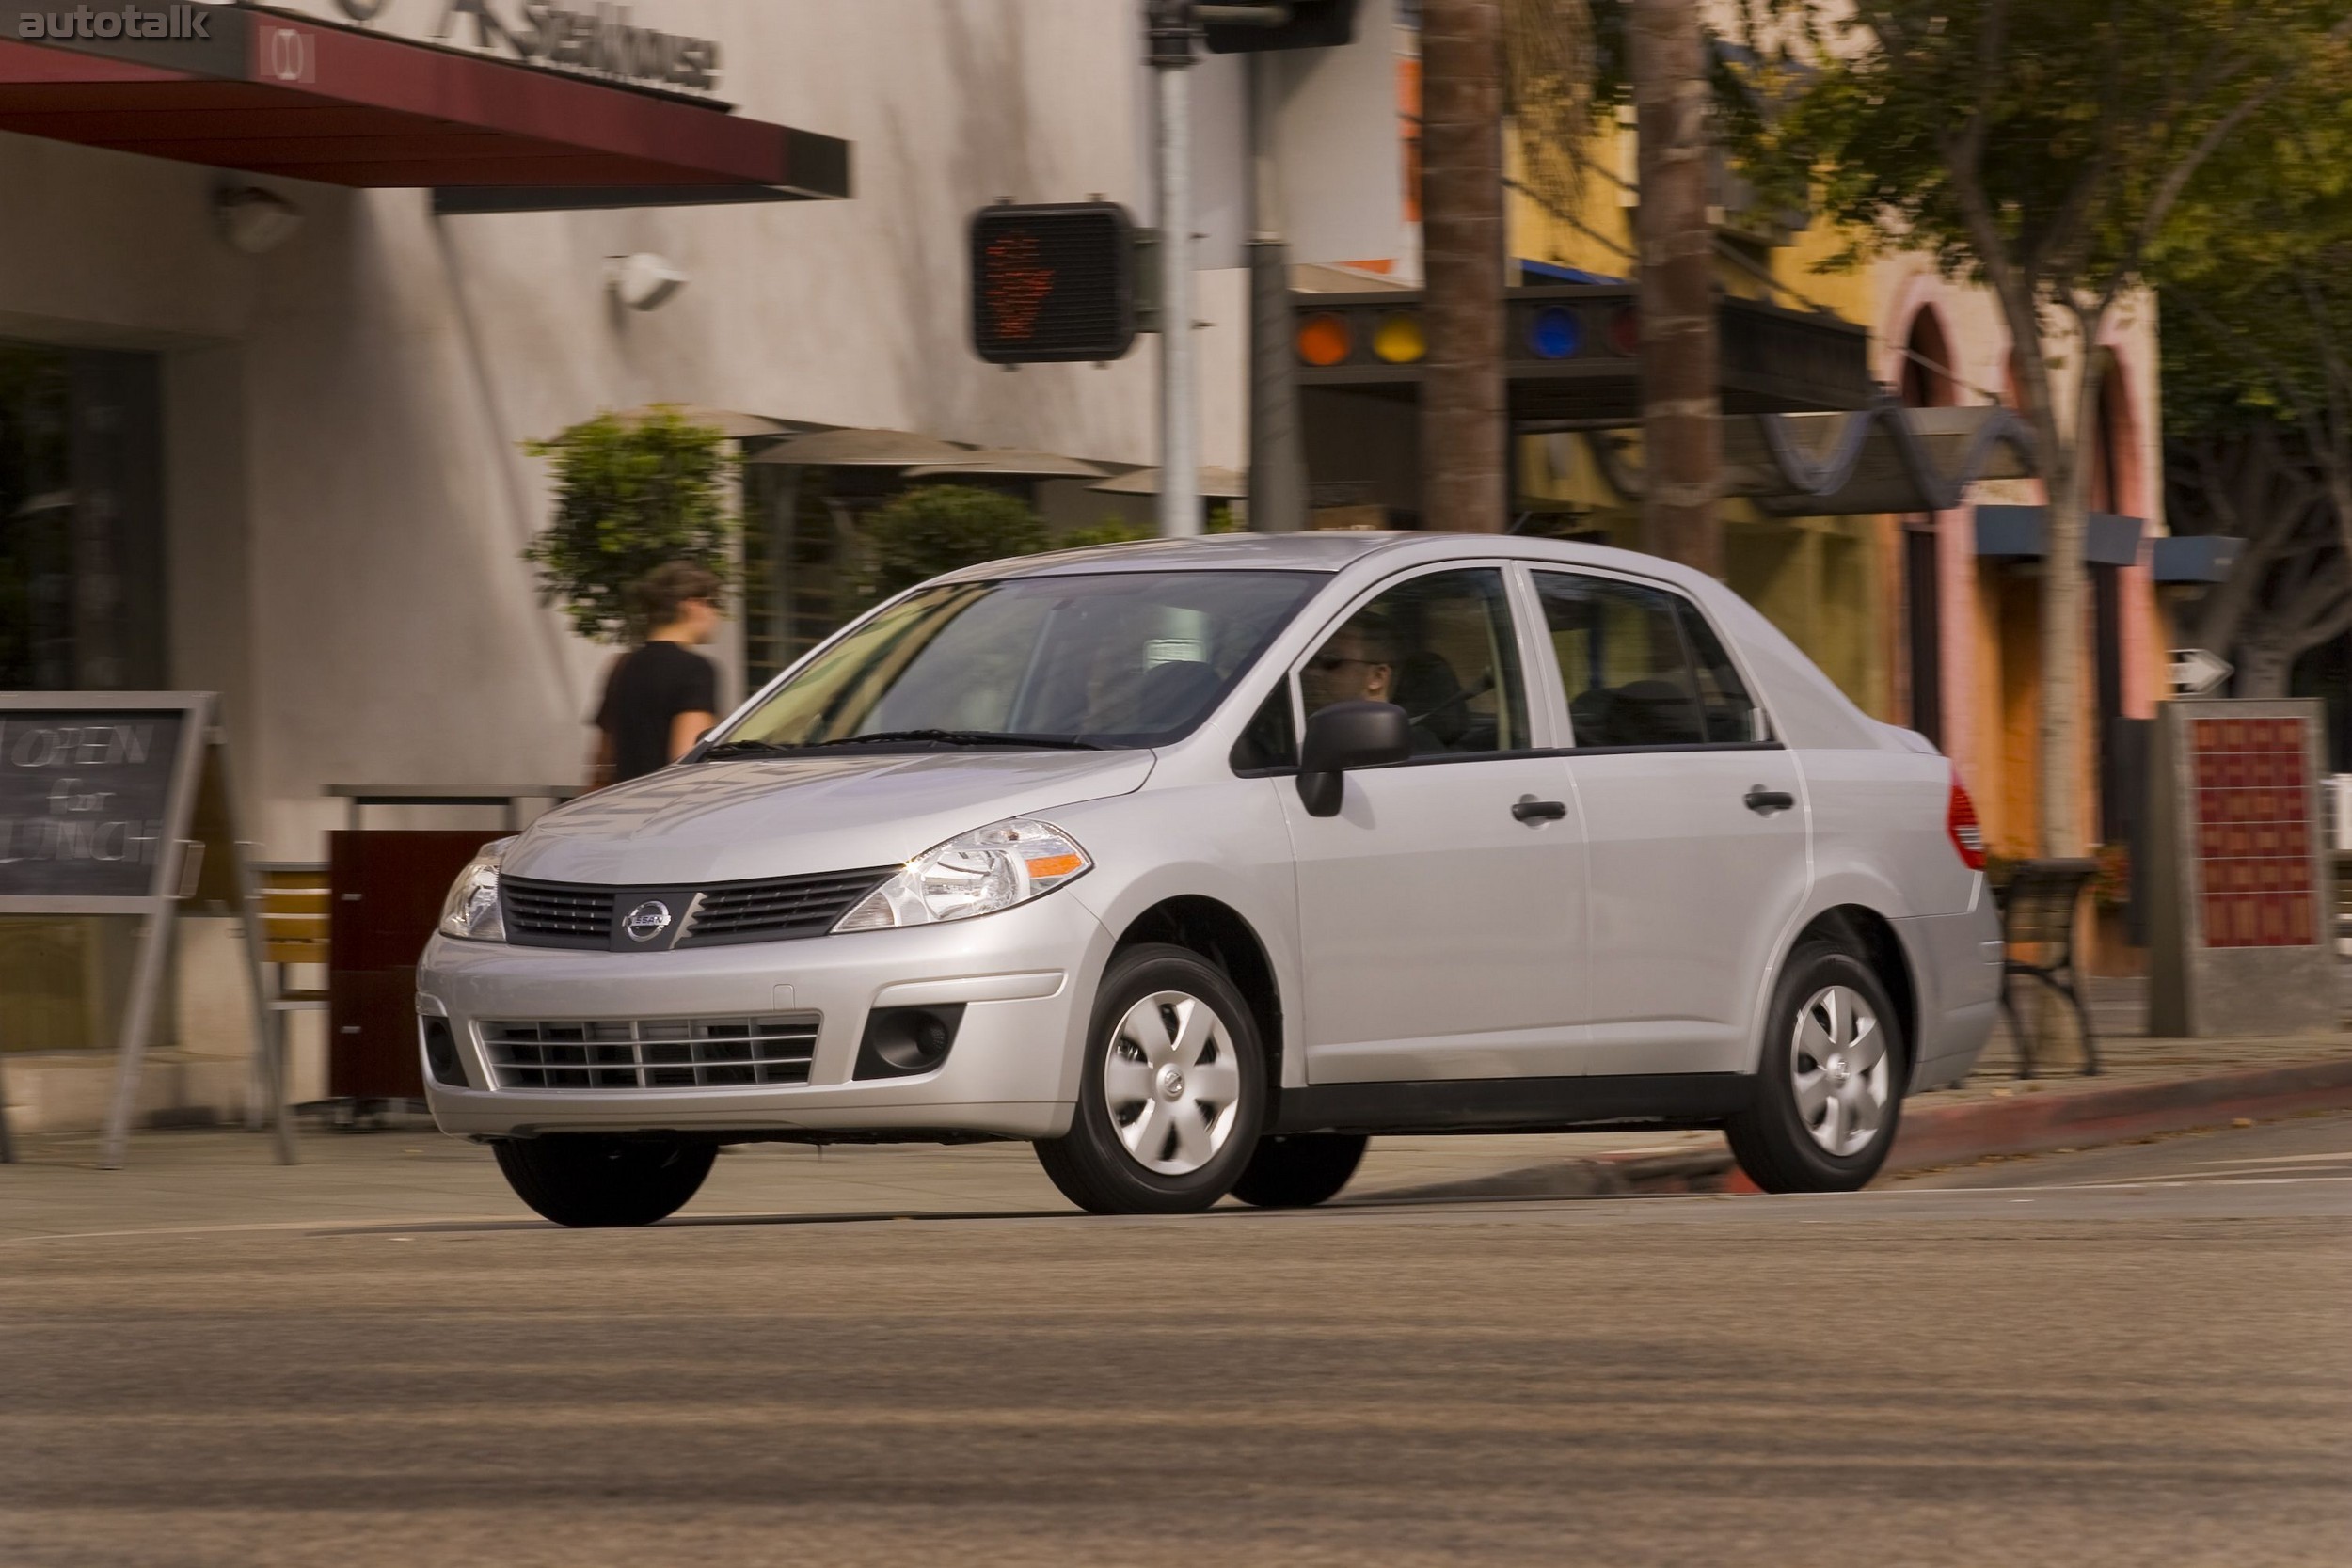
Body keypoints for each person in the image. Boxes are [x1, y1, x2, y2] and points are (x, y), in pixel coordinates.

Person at [588, 562, 723, 788]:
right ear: (693, 605)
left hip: (622, 804)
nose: (716, 615)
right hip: (666, 810)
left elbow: (603, 757)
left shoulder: (621, 665)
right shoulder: (694, 669)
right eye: (714, 604)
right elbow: (687, 761)